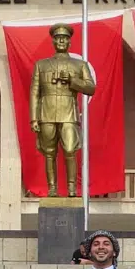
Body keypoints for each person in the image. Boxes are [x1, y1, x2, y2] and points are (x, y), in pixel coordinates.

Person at [28, 24, 97, 197]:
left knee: (69, 150)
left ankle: (72, 187)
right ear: (53, 41)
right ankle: (52, 188)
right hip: (47, 113)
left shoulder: (79, 65)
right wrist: (34, 119)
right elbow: (35, 92)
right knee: (49, 153)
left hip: (68, 113)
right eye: (58, 38)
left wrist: (73, 81)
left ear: (69, 42)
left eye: (64, 38)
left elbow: (91, 88)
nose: (61, 40)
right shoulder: (41, 65)